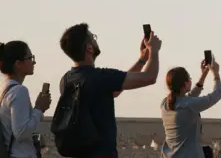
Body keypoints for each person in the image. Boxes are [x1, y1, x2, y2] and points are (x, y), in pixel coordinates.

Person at [57, 23, 162, 158]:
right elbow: (149, 77)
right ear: (89, 48)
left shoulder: (65, 80)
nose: (95, 40)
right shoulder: (101, 77)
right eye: (92, 38)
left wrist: (142, 60)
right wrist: (154, 51)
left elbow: (115, 91)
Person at [0, 41, 52, 158]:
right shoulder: (19, 91)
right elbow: (21, 132)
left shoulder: (1, 89)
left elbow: (11, 128)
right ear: (18, 63)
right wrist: (39, 109)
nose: (34, 61)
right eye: (30, 58)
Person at [160, 57, 221, 158]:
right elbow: (217, 93)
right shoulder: (188, 104)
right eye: (189, 78)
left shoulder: (165, 104)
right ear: (185, 84)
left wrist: (204, 74)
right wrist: (216, 73)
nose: (191, 80)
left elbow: (189, 98)